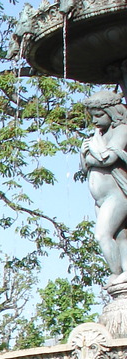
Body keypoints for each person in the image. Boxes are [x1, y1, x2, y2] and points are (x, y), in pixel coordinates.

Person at [79, 91, 127, 284]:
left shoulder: (121, 130)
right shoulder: (98, 135)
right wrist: (86, 156)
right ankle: (123, 272)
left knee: (102, 235)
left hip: (117, 195)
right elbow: (85, 165)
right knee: (121, 235)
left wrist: (89, 154)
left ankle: (117, 273)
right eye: (92, 116)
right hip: (101, 199)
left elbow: (108, 158)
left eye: (99, 115)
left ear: (112, 112)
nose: (94, 121)